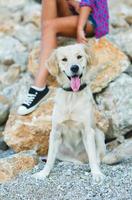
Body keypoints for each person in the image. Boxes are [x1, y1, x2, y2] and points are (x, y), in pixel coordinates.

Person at [18, 0, 109, 115]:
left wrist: (80, 28)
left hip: (92, 18)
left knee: (49, 26)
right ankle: (49, 34)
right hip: (75, 11)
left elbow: (88, 2)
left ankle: (38, 88)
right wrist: (73, 3)